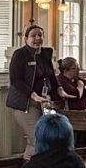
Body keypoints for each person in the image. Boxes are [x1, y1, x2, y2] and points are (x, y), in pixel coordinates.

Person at [7, 25, 59, 160]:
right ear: (26, 39)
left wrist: (59, 90)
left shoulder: (46, 53)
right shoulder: (20, 54)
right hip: (26, 103)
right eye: (33, 36)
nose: (37, 38)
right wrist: (32, 94)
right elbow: (15, 80)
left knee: (37, 141)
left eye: (40, 35)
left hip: (44, 103)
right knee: (38, 138)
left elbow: (52, 76)